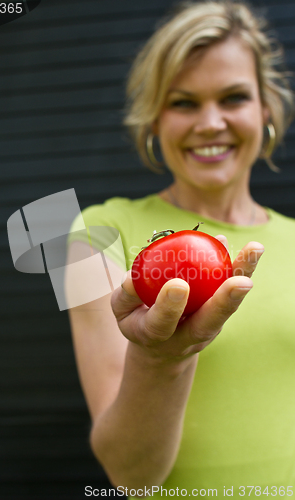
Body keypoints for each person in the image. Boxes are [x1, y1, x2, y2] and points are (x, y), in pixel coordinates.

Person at [65, 1, 295, 498]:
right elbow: (128, 476)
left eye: (233, 97)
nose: (210, 123)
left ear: (267, 109)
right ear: (153, 118)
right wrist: (161, 360)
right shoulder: (92, 233)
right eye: (184, 102)